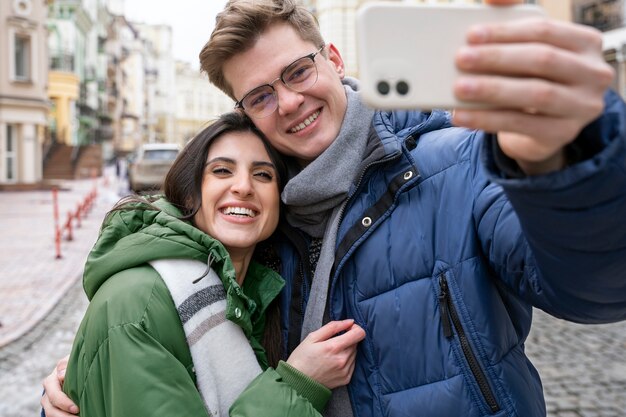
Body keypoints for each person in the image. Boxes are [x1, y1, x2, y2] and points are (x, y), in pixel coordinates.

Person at [43, 0, 626, 416]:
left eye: (298, 71)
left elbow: (596, 287)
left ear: (333, 57)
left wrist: (567, 163)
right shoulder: (259, 226)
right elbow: (195, 359)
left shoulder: (457, 161)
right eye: (262, 96)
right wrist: (84, 389)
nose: (290, 101)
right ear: (246, 111)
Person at [45, 111, 365, 417]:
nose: (243, 186)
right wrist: (298, 384)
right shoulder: (138, 304)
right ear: (190, 191)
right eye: (222, 170)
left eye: (263, 174)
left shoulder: (254, 294)